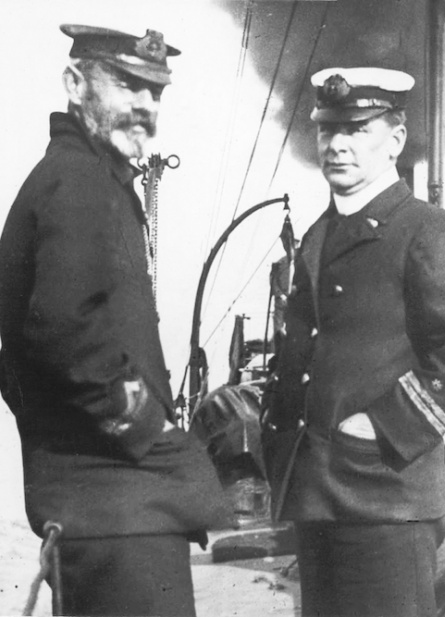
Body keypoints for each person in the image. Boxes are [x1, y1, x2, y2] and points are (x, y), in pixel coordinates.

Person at [0, 25, 232, 616]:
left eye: (156, 93)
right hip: (117, 512)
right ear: (75, 84)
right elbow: (60, 333)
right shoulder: (79, 182)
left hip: (105, 508)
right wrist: (143, 427)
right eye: (127, 85)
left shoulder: (85, 176)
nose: (145, 107)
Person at [263, 66, 445, 617]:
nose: (338, 145)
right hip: (318, 493)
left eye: (358, 131)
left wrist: (378, 427)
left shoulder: (425, 229)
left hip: (385, 496)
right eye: (328, 131)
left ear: (394, 141)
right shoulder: (320, 234)